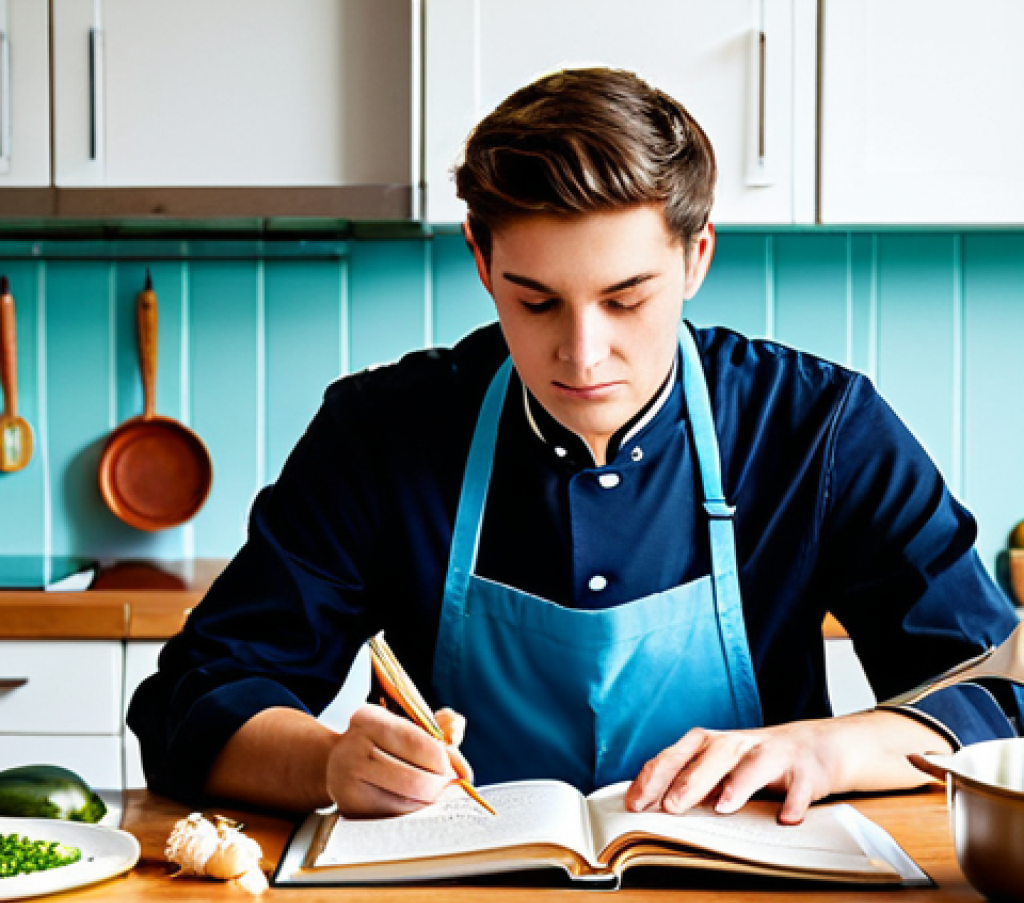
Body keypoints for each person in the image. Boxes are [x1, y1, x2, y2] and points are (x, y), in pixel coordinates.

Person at [128, 67, 1021, 825]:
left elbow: (998, 696)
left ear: (696, 257)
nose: (583, 353)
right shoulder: (381, 433)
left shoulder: (818, 429)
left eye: (627, 298)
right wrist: (324, 763)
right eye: (536, 300)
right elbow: (193, 701)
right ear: (482, 262)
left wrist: (833, 749)